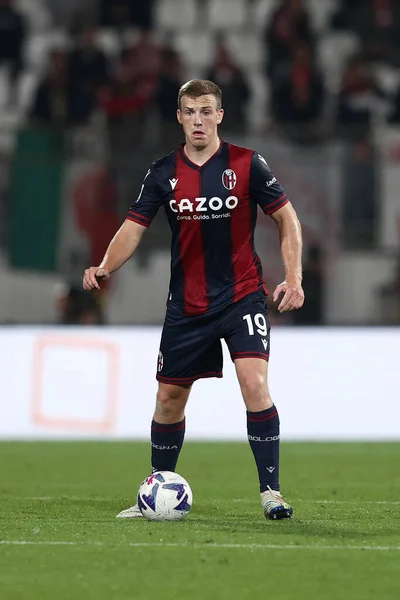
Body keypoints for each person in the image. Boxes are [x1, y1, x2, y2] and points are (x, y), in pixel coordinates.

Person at [82, 79, 304, 521]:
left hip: (242, 297)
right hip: (187, 305)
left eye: (206, 110)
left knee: (255, 384)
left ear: (220, 115)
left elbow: (287, 219)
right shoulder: (163, 172)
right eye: (189, 111)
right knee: (168, 400)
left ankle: (271, 493)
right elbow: (133, 226)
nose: (198, 119)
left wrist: (293, 277)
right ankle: (156, 488)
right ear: (179, 117)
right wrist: (106, 264)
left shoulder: (247, 164)